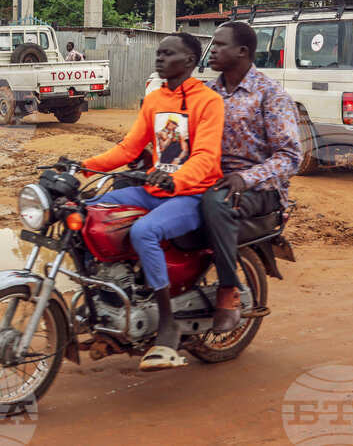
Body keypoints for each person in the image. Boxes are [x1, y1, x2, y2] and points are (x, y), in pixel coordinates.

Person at [82, 33, 224, 371]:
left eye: (167, 54)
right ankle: (107, 298)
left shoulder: (208, 101)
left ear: (189, 61)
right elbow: (129, 149)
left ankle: (167, 322)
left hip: (191, 195)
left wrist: (176, 178)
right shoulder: (155, 99)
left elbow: (206, 157)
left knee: (143, 231)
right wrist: (85, 166)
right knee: (90, 212)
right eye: (158, 54)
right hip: (154, 190)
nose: (159, 59)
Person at [201, 21, 301, 333]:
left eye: (220, 45)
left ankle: (228, 292)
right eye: (212, 44)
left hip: (261, 188)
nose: (212, 50)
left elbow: (289, 156)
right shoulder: (208, 93)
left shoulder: (270, 94)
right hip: (215, 178)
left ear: (243, 51)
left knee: (217, 203)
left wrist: (245, 178)